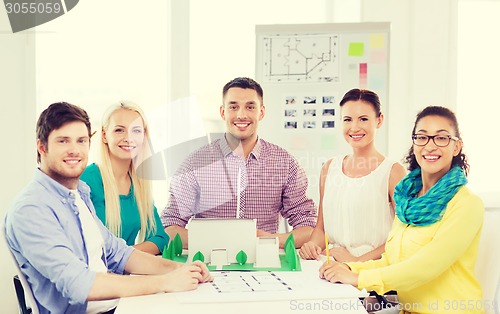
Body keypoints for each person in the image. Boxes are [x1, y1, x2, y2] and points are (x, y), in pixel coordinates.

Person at [4, 102, 212, 314]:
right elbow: (79, 284)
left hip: (117, 305)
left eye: (81, 140)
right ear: (42, 146)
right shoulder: (31, 209)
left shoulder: (77, 194)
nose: (74, 150)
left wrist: (180, 269)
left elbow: (118, 253)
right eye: (63, 141)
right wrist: (165, 282)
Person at [319, 106, 484, 313]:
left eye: (441, 138)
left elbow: (426, 266)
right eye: (422, 137)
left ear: (456, 146)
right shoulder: (407, 200)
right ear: (414, 143)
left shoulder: (466, 204)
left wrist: (358, 277)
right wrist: (348, 268)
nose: (430, 146)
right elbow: (391, 260)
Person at [161, 77, 317, 248]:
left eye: (250, 107)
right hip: (208, 266)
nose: (241, 115)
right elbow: (169, 227)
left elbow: (308, 227)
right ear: (223, 112)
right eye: (233, 107)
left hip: (265, 264)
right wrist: (215, 242)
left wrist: (270, 240)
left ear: (261, 112)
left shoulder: (285, 163)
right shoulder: (195, 163)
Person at [299, 89, 406, 262]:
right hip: (330, 269)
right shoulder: (329, 168)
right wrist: (312, 244)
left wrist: (356, 262)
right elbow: (321, 229)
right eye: (347, 120)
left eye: (363, 119)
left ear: (379, 120)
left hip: (372, 273)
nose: (354, 127)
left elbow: (403, 236)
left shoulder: (393, 172)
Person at [80, 101, 169, 255]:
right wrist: (126, 256)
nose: (128, 138)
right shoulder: (86, 180)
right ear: (104, 135)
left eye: (136, 131)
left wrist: (124, 256)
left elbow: (160, 238)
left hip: (125, 271)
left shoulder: (139, 184)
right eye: (119, 130)